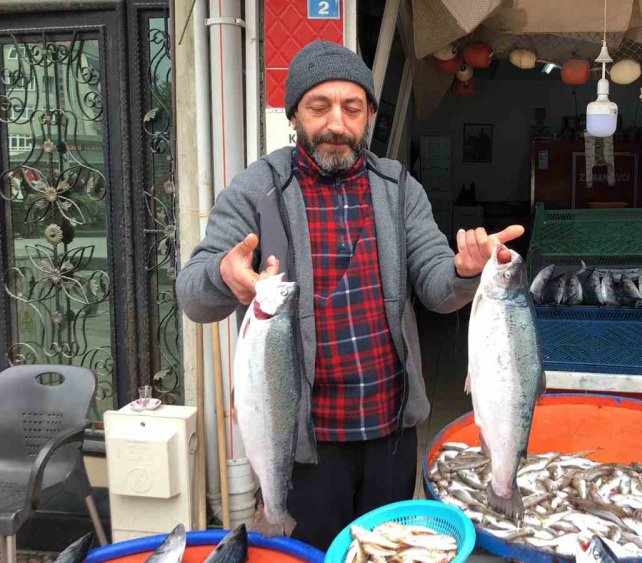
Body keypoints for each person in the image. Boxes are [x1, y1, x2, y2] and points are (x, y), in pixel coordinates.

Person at [176, 40, 523, 549]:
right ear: (295, 114)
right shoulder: (256, 190)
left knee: (385, 554)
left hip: (390, 428)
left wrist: (464, 271)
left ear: (369, 117)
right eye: (319, 107)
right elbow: (193, 295)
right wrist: (224, 277)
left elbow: (434, 286)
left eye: (352, 107)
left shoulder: (398, 188)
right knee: (311, 554)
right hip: (299, 441)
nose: (336, 122)